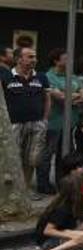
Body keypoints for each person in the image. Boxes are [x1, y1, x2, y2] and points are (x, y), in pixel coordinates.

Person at [3, 46, 50, 199]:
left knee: (32, 159)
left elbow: (47, 99)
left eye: (34, 57)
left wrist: (45, 119)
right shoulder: (5, 76)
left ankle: (26, 190)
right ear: (18, 59)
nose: (34, 60)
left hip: (37, 124)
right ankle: (10, 192)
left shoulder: (41, 77)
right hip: (13, 124)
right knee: (12, 158)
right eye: (30, 57)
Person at [38, 48, 83, 195]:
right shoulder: (48, 76)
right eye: (66, 59)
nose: (70, 61)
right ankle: (43, 184)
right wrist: (73, 96)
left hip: (70, 122)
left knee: (65, 155)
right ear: (56, 61)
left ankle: (62, 183)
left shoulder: (74, 77)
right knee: (47, 154)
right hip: (54, 122)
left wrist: (69, 96)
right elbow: (59, 97)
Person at [32, 172, 83, 250]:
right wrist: (72, 235)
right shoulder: (62, 209)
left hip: (64, 231)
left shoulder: (71, 202)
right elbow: (48, 230)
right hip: (49, 241)